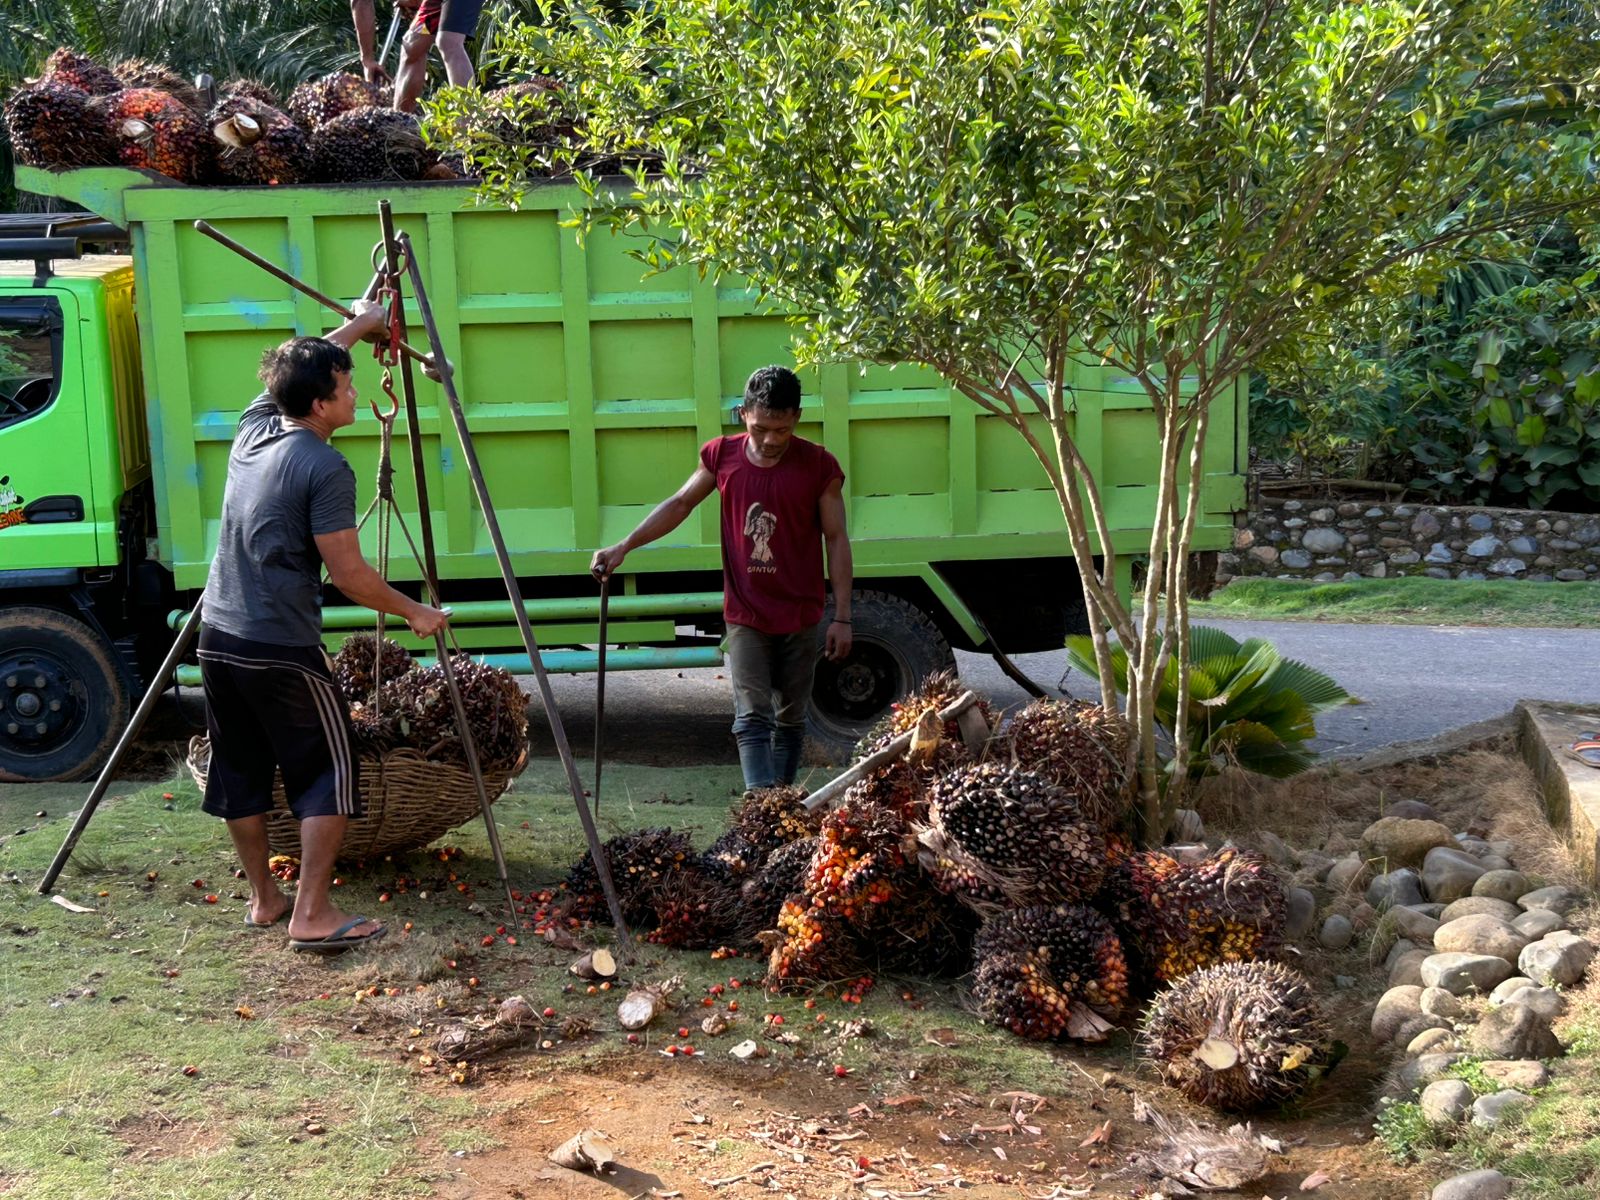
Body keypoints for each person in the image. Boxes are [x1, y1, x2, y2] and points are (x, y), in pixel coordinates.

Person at [199, 300, 450, 954]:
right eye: (345, 388)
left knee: (241, 769)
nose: (356, 394)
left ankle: (265, 901)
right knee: (327, 772)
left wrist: (363, 325)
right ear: (318, 405)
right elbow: (349, 576)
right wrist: (416, 611)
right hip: (278, 645)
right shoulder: (325, 466)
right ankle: (310, 913)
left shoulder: (255, 427)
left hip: (218, 637)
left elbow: (290, 373)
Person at [590, 366, 853, 790]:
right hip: (746, 611)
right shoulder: (721, 456)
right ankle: (760, 807)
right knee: (751, 714)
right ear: (743, 414)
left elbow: (837, 540)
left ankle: (781, 803)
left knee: (791, 717)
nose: (770, 440)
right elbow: (679, 504)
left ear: (797, 419)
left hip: (801, 613)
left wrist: (843, 616)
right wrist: (624, 546)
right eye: (760, 427)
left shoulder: (819, 466)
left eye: (781, 430)